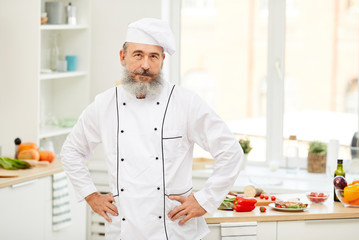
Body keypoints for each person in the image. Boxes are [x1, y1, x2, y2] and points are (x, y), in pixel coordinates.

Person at [60, 18, 243, 240]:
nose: (145, 65)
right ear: (122, 57)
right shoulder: (104, 105)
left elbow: (230, 152)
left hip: (173, 230)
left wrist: (205, 201)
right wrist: (90, 195)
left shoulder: (186, 102)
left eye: (153, 56)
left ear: (162, 60)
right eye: (138, 55)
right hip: (122, 231)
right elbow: (71, 151)